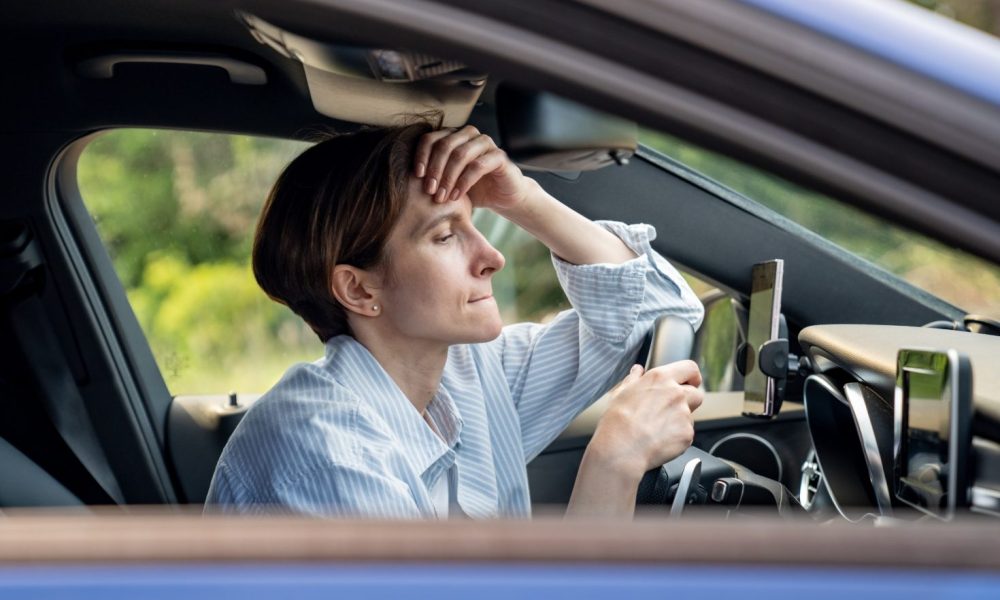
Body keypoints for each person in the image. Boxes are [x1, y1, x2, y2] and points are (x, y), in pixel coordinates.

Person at [206, 122, 705, 518]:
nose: (492, 257)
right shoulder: (327, 454)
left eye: (476, 224)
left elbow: (659, 310)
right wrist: (611, 465)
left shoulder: (465, 372)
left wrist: (523, 200)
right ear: (359, 289)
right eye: (445, 237)